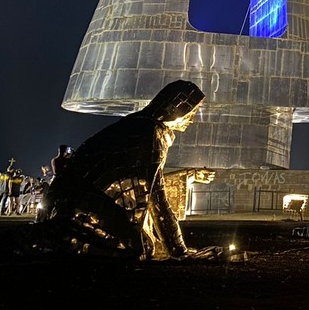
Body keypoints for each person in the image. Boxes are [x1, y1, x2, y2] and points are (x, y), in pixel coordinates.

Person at [29, 79, 209, 259]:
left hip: (71, 199)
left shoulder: (141, 124)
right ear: (174, 108)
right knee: (137, 247)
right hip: (74, 203)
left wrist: (189, 176)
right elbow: (155, 193)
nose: (191, 120)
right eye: (190, 113)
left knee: (141, 244)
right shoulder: (149, 132)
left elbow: (143, 182)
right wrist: (178, 250)